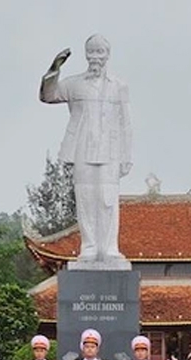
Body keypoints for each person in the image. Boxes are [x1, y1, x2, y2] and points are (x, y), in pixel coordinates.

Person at [39, 34, 132, 266]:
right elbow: (48, 96)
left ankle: (110, 247)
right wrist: (54, 68)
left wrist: (127, 156)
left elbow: (126, 123)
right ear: (85, 54)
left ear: (107, 55)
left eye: (100, 52)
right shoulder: (74, 84)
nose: (95, 57)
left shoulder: (119, 86)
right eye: (91, 52)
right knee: (86, 198)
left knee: (107, 199)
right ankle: (89, 246)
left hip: (110, 150)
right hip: (82, 148)